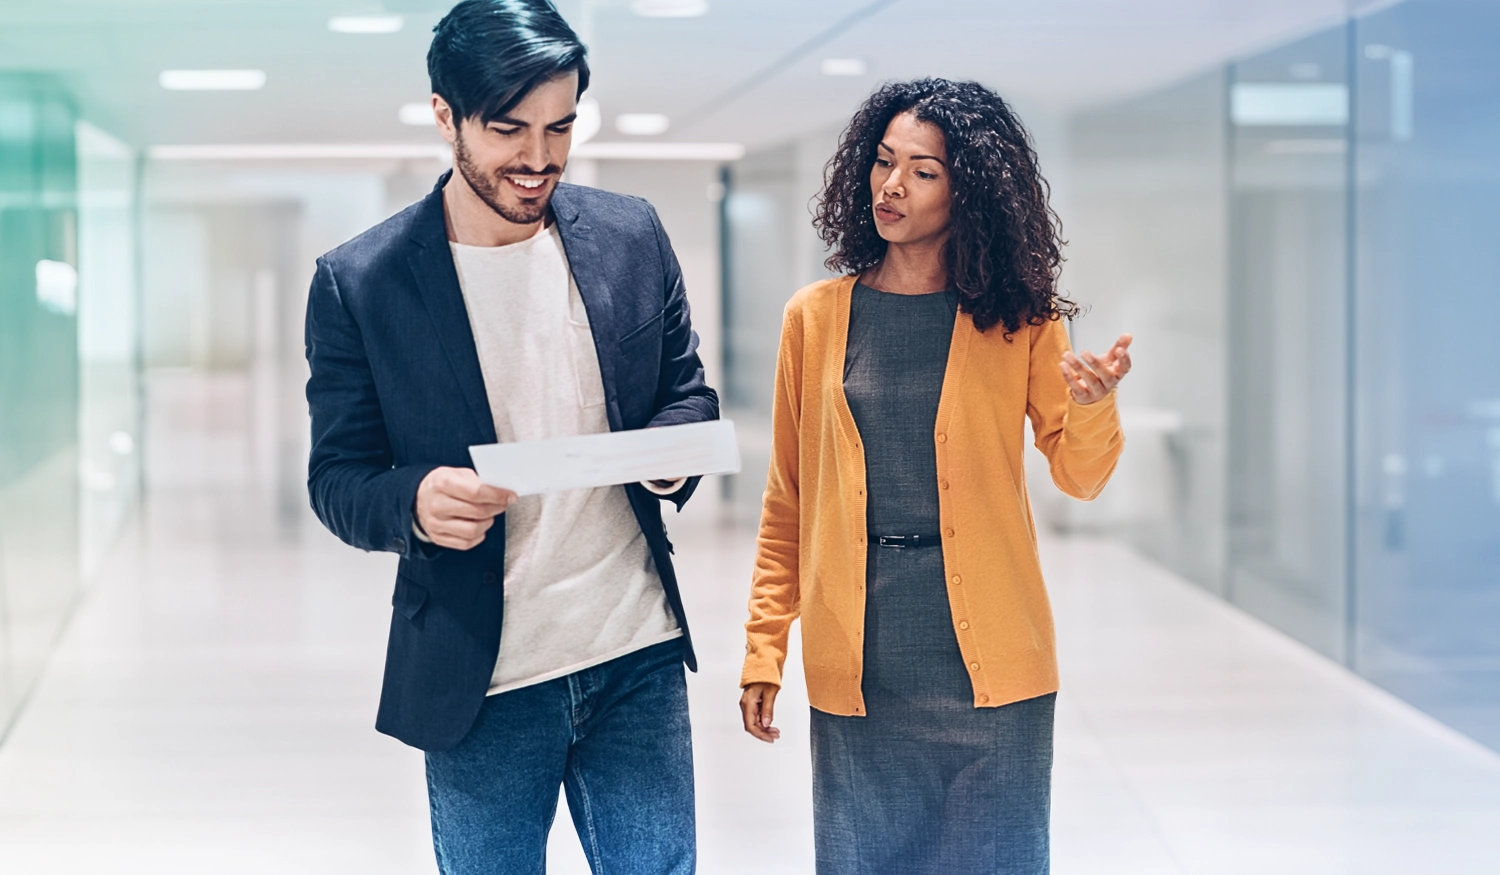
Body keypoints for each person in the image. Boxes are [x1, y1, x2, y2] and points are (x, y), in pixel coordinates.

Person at [303, 1, 716, 872]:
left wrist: (673, 459)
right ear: (444, 115)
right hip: (481, 679)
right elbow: (338, 479)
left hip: (632, 651)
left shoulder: (631, 235)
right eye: (509, 130)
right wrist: (413, 500)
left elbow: (686, 393)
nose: (538, 159)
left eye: (561, 127)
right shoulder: (360, 283)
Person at [738, 78, 1132, 874]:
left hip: (994, 673)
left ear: (970, 191)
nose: (892, 185)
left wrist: (1092, 406)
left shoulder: (1021, 318)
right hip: (863, 668)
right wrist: (763, 646)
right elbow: (789, 499)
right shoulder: (813, 318)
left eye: (923, 170)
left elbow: (1081, 477)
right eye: (884, 163)